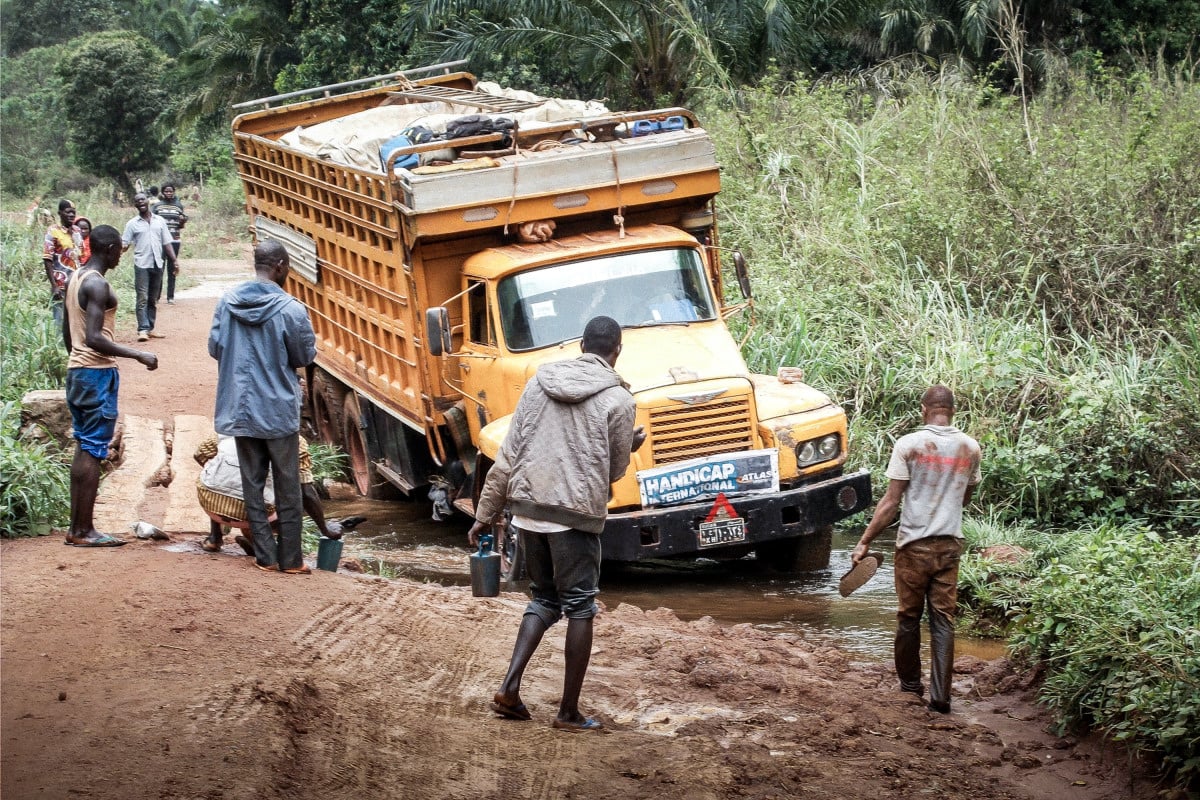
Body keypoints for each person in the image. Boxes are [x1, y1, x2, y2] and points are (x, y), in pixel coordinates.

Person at [468, 316, 645, 732]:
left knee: (544, 599)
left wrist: (484, 514)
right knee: (580, 607)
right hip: (573, 517)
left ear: (581, 345)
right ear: (616, 351)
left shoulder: (537, 384)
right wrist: (630, 445)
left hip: (528, 511)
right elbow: (615, 470)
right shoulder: (619, 401)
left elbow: (508, 456)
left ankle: (510, 689)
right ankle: (568, 712)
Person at [851, 385, 982, 714]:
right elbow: (965, 497)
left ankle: (911, 686)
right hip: (950, 545)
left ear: (924, 409)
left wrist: (865, 540)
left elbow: (891, 502)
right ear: (952, 410)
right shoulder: (970, 447)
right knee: (943, 620)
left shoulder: (909, 444)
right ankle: (941, 697)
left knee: (909, 618)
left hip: (913, 546)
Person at [208, 239, 316, 574]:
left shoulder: (227, 303)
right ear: (281, 266)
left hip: (240, 406)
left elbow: (215, 347)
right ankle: (293, 559)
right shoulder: (291, 309)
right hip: (278, 410)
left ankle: (265, 558)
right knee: (288, 485)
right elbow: (303, 356)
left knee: (251, 483)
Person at [61, 225, 159, 546]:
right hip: (96, 374)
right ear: (112, 249)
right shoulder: (97, 285)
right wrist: (138, 354)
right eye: (120, 250)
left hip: (78, 371)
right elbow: (94, 337)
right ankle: (85, 531)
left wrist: (79, 360)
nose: (121, 256)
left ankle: (77, 528)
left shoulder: (76, 278)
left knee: (84, 446)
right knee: (93, 449)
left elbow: (70, 335)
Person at [194, 433, 360, 553]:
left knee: (219, 475)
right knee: (291, 501)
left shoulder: (232, 426)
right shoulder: (295, 440)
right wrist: (325, 529)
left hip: (210, 502)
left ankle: (215, 538)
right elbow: (307, 492)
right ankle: (264, 544)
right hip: (253, 515)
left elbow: (199, 454)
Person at [122, 192, 177, 342]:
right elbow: (125, 243)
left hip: (157, 263)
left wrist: (174, 260)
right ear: (135, 205)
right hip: (142, 265)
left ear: (148, 201)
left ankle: (150, 328)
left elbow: (166, 242)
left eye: (142, 199)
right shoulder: (132, 224)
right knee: (142, 297)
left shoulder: (159, 221)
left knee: (153, 298)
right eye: (137, 201)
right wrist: (120, 248)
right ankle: (142, 329)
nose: (140, 202)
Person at [42, 199, 83, 325]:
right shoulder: (53, 231)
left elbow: (80, 256)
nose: (71, 215)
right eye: (68, 212)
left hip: (76, 282)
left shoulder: (77, 231)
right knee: (60, 320)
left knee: (76, 319)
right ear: (60, 213)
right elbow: (47, 259)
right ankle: (60, 344)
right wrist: (54, 286)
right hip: (61, 283)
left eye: (73, 212)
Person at [152, 183, 188, 303]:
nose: (168, 193)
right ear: (162, 192)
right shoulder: (157, 207)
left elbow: (181, 225)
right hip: (160, 242)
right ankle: (156, 296)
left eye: (170, 191)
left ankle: (170, 297)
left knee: (172, 267)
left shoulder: (178, 206)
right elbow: (152, 222)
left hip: (174, 240)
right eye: (166, 191)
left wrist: (183, 221)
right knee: (159, 268)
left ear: (174, 192)